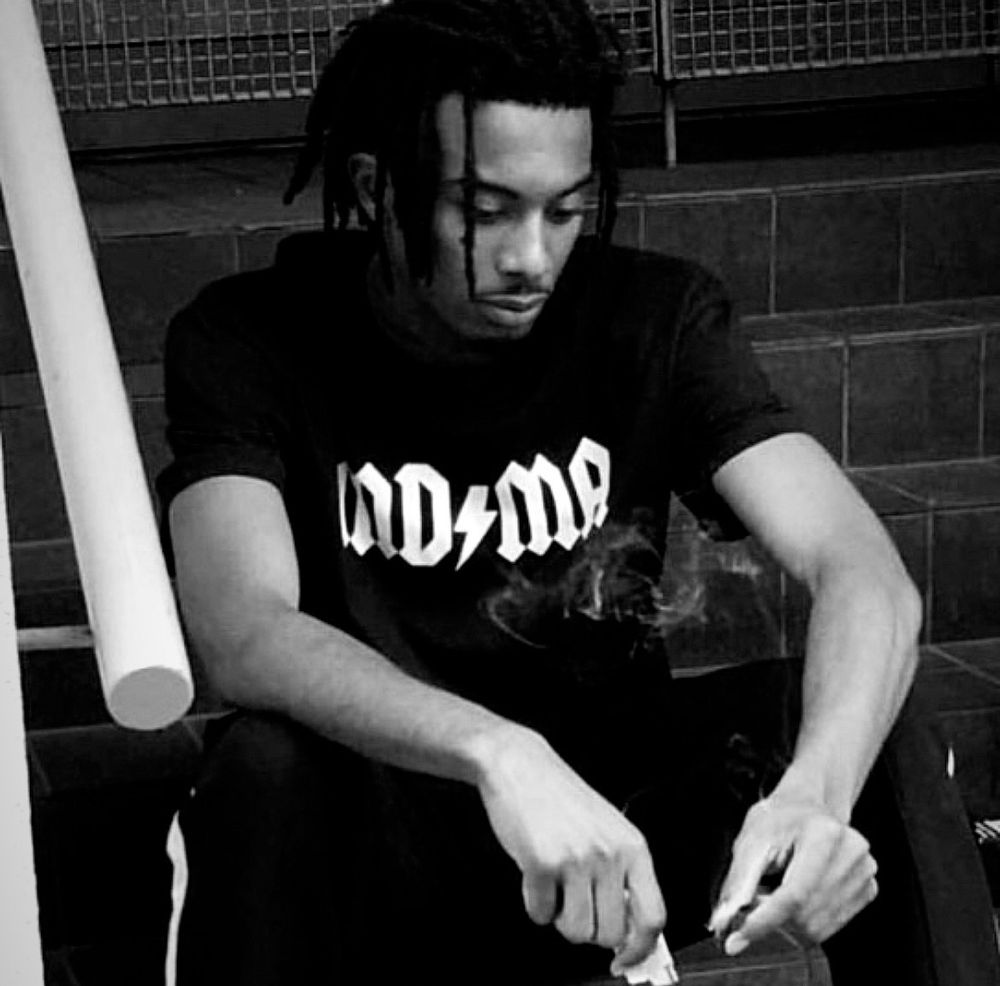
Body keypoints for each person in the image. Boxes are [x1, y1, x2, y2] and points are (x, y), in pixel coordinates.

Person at [156, 1, 999, 984]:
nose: (530, 257)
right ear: (376, 187)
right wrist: (501, 753)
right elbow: (240, 628)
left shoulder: (652, 316)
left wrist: (819, 790)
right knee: (259, 771)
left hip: (616, 825)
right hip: (383, 820)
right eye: (484, 212)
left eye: (563, 211)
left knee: (870, 727)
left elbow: (859, 566)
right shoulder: (250, 339)